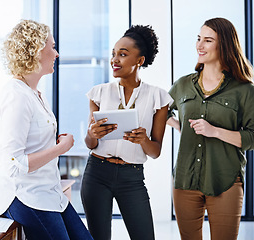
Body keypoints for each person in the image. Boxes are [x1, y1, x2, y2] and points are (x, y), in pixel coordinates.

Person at [167, 17, 254, 240]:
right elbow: (161, 111)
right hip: (185, 179)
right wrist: (181, 127)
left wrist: (215, 131)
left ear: (224, 45)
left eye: (208, 40)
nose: (199, 46)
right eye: (198, 39)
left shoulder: (244, 90)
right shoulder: (182, 84)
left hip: (225, 180)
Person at [0, 19, 93, 240]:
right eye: (52, 47)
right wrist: (61, 149)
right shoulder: (16, 95)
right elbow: (14, 164)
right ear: (36, 50)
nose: (56, 54)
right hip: (25, 195)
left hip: (49, 191)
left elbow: (34, 143)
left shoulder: (36, 94)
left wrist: (54, 143)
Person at [81, 25, 173, 240]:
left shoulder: (158, 97)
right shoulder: (99, 92)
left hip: (132, 177)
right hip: (97, 172)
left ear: (139, 61)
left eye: (123, 54)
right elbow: (90, 144)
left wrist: (143, 140)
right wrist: (92, 134)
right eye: (114, 54)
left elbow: (155, 151)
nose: (115, 60)